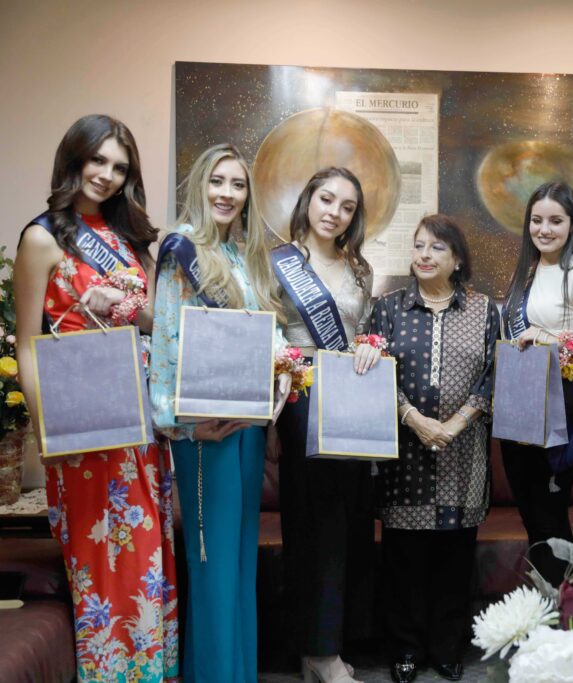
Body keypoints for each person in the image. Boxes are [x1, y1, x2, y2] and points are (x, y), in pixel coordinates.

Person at [13, 114, 179, 681]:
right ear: (74, 159)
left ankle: (149, 673)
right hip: (83, 427)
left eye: (120, 167)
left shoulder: (129, 239)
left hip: (140, 429)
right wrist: (47, 434)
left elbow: (157, 324)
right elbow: (30, 349)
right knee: (103, 562)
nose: (107, 176)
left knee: (146, 559)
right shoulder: (42, 238)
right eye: (98, 161)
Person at [149, 143, 291, 683]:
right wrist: (177, 422)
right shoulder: (183, 248)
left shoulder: (242, 256)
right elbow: (166, 333)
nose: (227, 194)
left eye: (237, 184)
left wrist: (282, 371)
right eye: (217, 182)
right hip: (203, 427)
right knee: (212, 569)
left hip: (248, 426)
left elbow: (264, 335)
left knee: (237, 566)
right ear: (199, 187)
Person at [368, 214, 500, 683]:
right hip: (405, 453)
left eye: (437, 248)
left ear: (457, 259)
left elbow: (492, 375)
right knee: (404, 559)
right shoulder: (387, 307)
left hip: (463, 456)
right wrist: (418, 421)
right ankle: (404, 648)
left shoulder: (485, 309)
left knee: (453, 558)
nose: (424, 255)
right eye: (419, 246)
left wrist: (455, 424)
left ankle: (446, 648)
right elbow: (375, 369)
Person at [272, 167, 377, 683]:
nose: (334, 212)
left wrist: (368, 350)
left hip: (351, 403)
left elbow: (364, 333)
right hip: (301, 398)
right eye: (327, 199)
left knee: (346, 523)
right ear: (308, 199)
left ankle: (324, 643)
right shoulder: (278, 263)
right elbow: (266, 331)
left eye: (347, 206)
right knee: (313, 521)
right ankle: (318, 651)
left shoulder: (361, 270)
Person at [500, 182, 573, 587]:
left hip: (563, 400)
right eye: (537, 220)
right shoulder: (532, 269)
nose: (544, 229)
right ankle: (553, 611)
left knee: (549, 513)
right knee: (533, 515)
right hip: (525, 397)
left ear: (572, 225)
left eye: (555, 220)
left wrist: (552, 340)